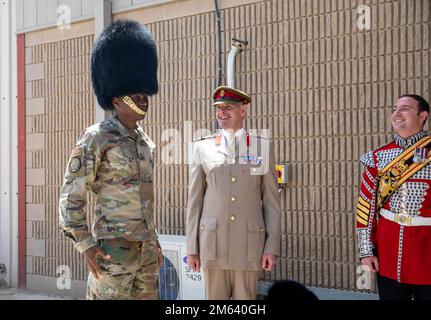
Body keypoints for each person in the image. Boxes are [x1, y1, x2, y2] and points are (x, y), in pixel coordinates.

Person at [59, 19, 163, 300]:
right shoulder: (97, 138)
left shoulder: (144, 142)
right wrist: (86, 246)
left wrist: (154, 243)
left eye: (145, 93)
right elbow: (70, 199)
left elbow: (144, 202)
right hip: (111, 255)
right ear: (116, 100)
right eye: (135, 94)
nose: (144, 99)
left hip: (146, 257)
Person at [186, 86, 281, 300]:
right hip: (213, 244)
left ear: (243, 110)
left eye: (228, 107)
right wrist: (192, 247)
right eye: (218, 108)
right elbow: (195, 201)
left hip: (248, 246)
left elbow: (271, 201)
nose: (222, 113)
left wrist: (271, 247)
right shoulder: (203, 148)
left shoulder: (261, 147)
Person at [356, 94, 431, 300]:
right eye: (394, 109)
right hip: (389, 254)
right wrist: (366, 252)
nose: (396, 114)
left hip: (427, 252)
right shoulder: (377, 157)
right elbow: (365, 208)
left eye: (405, 109)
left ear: (422, 115)